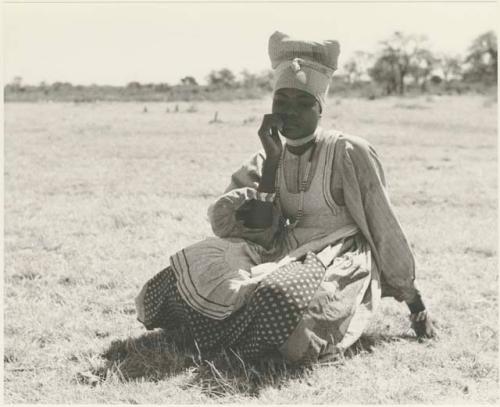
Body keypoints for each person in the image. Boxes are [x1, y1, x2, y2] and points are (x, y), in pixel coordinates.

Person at [135, 31, 436, 364]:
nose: (289, 113)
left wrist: (414, 301)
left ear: (320, 108)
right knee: (193, 266)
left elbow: (384, 226)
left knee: (280, 300)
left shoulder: (349, 151)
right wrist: (273, 163)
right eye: (282, 102)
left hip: (338, 256)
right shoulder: (266, 158)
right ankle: (224, 332)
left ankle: (260, 337)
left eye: (302, 103)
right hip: (282, 249)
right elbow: (257, 230)